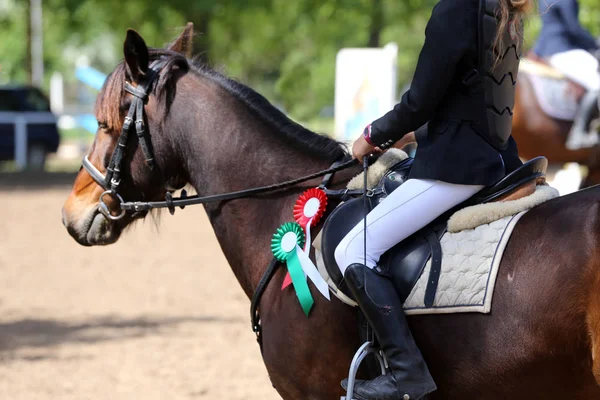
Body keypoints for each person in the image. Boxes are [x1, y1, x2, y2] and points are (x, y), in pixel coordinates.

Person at [333, 0, 531, 399]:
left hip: (458, 169)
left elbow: (420, 99)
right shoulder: (498, 9)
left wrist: (371, 135)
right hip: (500, 157)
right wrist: (416, 134)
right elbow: (471, 96)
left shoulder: (456, 8)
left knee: (353, 248)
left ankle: (406, 373)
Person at [532, 0, 600, 149]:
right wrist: (595, 43)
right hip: (563, 49)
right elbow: (573, 28)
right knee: (597, 85)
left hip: (545, 49)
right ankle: (579, 133)